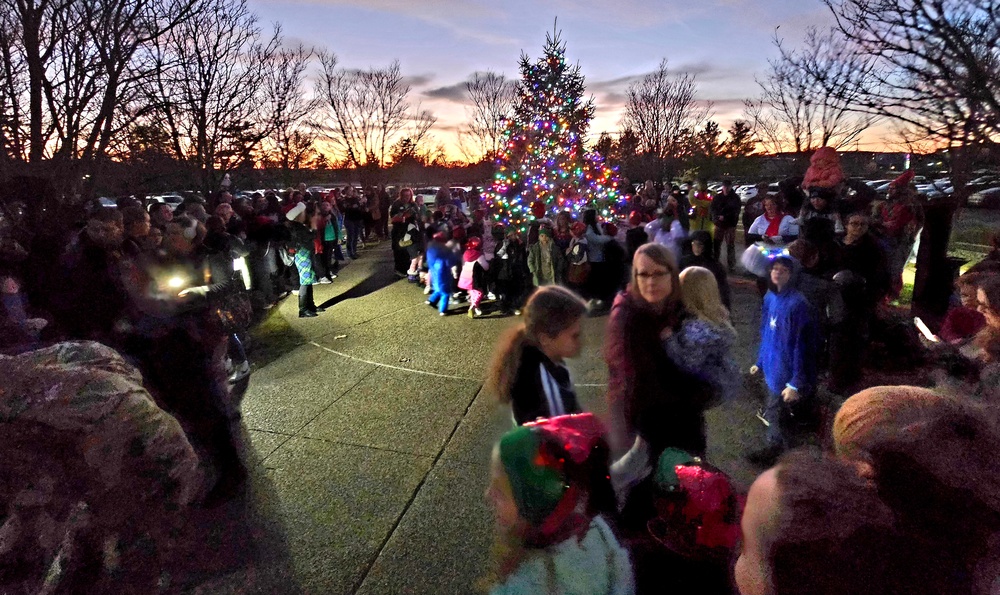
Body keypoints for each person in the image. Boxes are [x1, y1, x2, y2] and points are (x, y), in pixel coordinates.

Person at [484, 414, 633, 595]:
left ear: (532, 506)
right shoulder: (598, 531)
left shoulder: (530, 584)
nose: (488, 495)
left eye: (500, 491)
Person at [604, 242, 713, 457]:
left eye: (658, 273)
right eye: (643, 274)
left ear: (671, 274)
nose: (651, 282)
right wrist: (696, 393)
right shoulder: (627, 317)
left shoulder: (676, 307)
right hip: (643, 430)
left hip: (682, 421)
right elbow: (637, 383)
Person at [747, 256, 819, 466]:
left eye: (783, 270)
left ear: (792, 274)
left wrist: (795, 382)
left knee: (777, 413)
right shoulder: (770, 296)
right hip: (772, 365)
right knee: (775, 411)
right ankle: (779, 450)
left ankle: (781, 456)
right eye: (774, 269)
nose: (777, 273)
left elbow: (803, 346)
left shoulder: (798, 305)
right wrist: (760, 360)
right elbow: (766, 332)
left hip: (786, 372)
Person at [486, 286, 588, 425]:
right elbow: (561, 431)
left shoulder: (545, 359)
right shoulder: (541, 378)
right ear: (545, 338)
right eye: (574, 336)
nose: (582, 341)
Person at [664, 266, 740, 409]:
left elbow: (688, 364)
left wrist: (669, 340)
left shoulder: (699, 331)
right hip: (717, 382)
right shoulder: (716, 315)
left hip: (700, 388)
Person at [286, 202, 323, 318]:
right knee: (305, 281)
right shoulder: (297, 228)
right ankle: (303, 309)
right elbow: (309, 238)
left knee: (308, 280)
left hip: (304, 254)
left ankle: (311, 305)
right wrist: (314, 228)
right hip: (302, 255)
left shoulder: (297, 227)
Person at [679, 230, 731, 309]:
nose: (696, 247)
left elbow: (722, 290)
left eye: (700, 244)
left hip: (706, 304)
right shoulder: (684, 262)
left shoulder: (714, 266)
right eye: (694, 244)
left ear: (705, 246)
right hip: (686, 303)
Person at [425, 231, 460, 316]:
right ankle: (443, 310)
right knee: (445, 292)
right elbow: (450, 261)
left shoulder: (431, 248)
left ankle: (431, 300)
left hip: (434, 271)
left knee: (438, 288)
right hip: (443, 272)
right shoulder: (444, 250)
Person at [710, 179, 742, 272]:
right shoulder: (718, 197)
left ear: (730, 187)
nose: (726, 188)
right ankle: (715, 262)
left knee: (730, 245)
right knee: (717, 243)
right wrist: (716, 217)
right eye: (724, 186)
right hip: (719, 224)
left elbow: (736, 211)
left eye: (728, 186)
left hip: (730, 224)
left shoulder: (735, 198)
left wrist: (726, 217)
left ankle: (731, 264)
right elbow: (712, 208)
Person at [458, 236, 490, 318]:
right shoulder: (479, 255)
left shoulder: (465, 253)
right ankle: (473, 306)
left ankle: (476, 308)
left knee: (473, 293)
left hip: (464, 277)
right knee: (480, 293)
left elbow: (462, 264)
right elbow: (486, 267)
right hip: (473, 278)